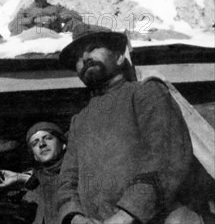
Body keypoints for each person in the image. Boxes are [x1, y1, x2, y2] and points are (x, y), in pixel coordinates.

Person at [56, 24, 193, 224]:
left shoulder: (145, 93)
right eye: (78, 57)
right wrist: (76, 217)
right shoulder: (80, 120)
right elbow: (67, 180)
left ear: (120, 57)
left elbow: (166, 158)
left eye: (93, 48)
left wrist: (125, 215)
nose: (84, 58)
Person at [0, 122, 66, 224]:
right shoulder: (34, 182)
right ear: (35, 156)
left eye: (48, 138)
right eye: (35, 143)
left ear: (63, 144)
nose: (42, 144)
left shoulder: (78, 171)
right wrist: (19, 177)